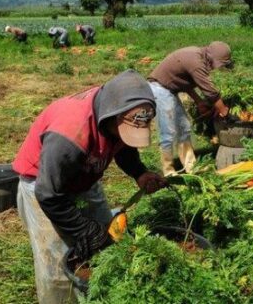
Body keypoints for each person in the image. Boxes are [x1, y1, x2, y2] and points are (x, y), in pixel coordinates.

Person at [12, 70, 168, 304]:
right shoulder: (69, 136)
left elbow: (123, 146)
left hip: (83, 176)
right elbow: (48, 194)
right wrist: (82, 229)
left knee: (106, 238)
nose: (127, 138)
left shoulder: (114, 109)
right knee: (59, 262)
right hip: (45, 187)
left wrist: (139, 172)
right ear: (110, 117)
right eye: (125, 131)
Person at [147, 41, 233, 176]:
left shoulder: (198, 57)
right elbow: (210, 91)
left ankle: (191, 167)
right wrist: (224, 111)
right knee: (168, 131)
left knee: (184, 127)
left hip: (169, 90)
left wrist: (198, 102)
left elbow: (185, 83)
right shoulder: (196, 61)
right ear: (213, 58)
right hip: (160, 89)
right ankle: (168, 171)